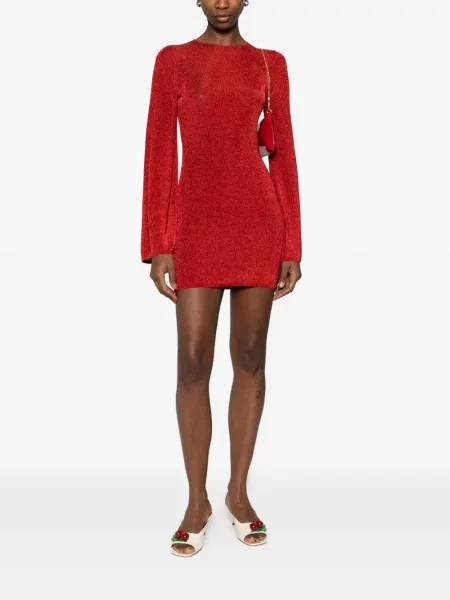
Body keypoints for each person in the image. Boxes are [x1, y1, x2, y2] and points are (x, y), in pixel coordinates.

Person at [141, 0, 302, 557]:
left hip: (257, 223)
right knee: (192, 361)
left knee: (251, 357)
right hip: (195, 224)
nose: (223, 2)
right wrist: (158, 243)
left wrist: (291, 244)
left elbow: (283, 156)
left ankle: (237, 492)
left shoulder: (269, 64)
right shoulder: (174, 60)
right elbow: (159, 152)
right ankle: (196, 501)